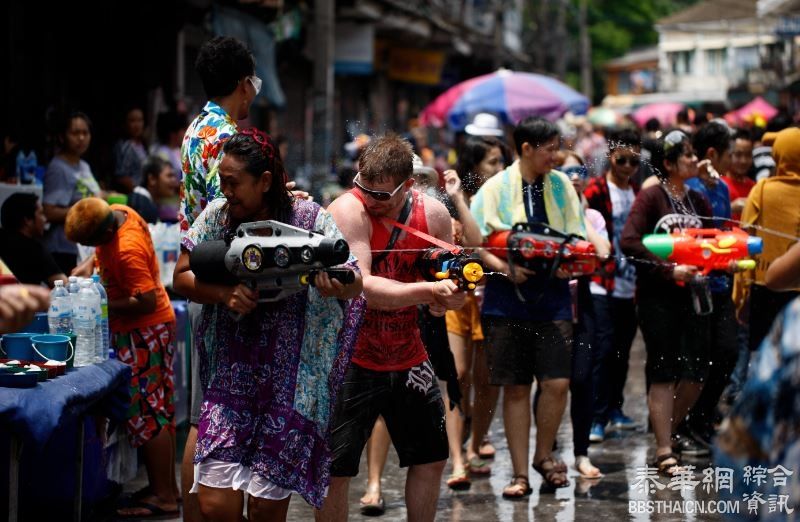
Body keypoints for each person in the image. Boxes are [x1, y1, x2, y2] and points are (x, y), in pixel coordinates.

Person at [173, 130, 364, 521]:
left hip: (291, 385)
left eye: (233, 182)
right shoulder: (216, 216)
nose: (226, 191)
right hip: (229, 377)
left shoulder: (309, 218)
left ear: (264, 181)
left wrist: (335, 285)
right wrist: (223, 294)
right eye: (222, 181)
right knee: (214, 504)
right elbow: (181, 277)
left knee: (264, 510)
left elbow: (355, 279)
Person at [316, 135, 465, 522]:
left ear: (408, 186)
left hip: (408, 354)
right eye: (364, 188)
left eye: (382, 196)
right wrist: (429, 290)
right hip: (351, 358)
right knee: (335, 469)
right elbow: (363, 287)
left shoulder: (433, 215)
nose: (370, 199)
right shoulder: (348, 211)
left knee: (432, 458)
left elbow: (451, 292)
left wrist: (449, 296)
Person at [471, 117, 585, 496]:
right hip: (506, 301)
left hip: (553, 297)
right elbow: (476, 242)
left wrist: (569, 262)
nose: (557, 155)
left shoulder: (562, 184)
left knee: (557, 382)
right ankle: (520, 474)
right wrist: (505, 269)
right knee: (516, 388)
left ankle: (542, 455)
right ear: (525, 149)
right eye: (550, 148)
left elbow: (578, 235)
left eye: (558, 147)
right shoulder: (494, 189)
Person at [178, 35, 260, 522]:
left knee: (202, 414)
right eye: (251, 81)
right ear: (241, 85)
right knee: (211, 415)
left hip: (201, 276)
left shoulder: (196, 128)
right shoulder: (223, 138)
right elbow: (228, 215)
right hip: (220, 283)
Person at [65, 197, 178, 518]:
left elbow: (144, 300)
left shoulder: (127, 250)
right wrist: (91, 266)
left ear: (102, 235)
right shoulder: (121, 213)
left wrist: (98, 300)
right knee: (158, 410)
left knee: (146, 412)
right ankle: (163, 487)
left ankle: (165, 497)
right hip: (151, 328)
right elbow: (103, 252)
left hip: (144, 330)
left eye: (89, 245)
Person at [620, 130, 713, 477]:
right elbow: (629, 242)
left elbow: (710, 244)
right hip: (658, 299)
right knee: (663, 370)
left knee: (696, 374)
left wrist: (722, 261)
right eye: (687, 155)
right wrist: (670, 269)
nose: (694, 160)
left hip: (695, 297)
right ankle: (663, 448)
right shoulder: (651, 198)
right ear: (669, 163)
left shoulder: (699, 201)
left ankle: (668, 429)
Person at [442, 137, 505, 490]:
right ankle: (457, 456)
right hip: (458, 297)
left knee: (486, 377)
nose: (498, 170)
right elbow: (471, 244)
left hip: (492, 296)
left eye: (500, 163)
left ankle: (477, 441)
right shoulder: (452, 200)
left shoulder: (504, 199)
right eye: (491, 162)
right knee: (459, 373)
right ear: (473, 165)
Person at [583, 128, 641, 443]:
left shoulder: (640, 194)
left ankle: (615, 409)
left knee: (622, 350)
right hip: (600, 282)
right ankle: (597, 416)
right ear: (610, 157)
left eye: (634, 161)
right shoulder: (595, 191)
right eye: (622, 160)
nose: (628, 167)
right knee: (603, 350)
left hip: (630, 285)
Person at [555, 151, 609, 479]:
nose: (573, 176)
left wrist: (578, 212)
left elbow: (602, 251)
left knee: (583, 377)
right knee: (552, 381)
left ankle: (580, 453)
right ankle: (546, 453)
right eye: (565, 170)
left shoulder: (594, 217)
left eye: (579, 170)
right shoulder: (545, 215)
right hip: (552, 301)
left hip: (584, 300)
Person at [733, 127, 800, 354]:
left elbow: (746, 240)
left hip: (764, 289)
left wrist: (741, 294)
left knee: (763, 357)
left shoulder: (762, 190)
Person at [42, 111, 102, 274]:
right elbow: (48, 211)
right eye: (75, 133)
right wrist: (87, 210)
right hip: (64, 248)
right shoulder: (58, 168)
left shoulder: (84, 165)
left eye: (85, 133)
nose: (81, 138)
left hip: (83, 245)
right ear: (62, 137)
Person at [0, 193, 67, 287]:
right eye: (41, 213)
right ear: (27, 220)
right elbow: (63, 284)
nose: (45, 219)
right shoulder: (34, 250)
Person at [127, 156, 180, 224]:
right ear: (152, 179)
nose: (174, 180)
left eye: (174, 176)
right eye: (169, 176)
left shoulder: (141, 200)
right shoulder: (143, 206)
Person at [722, 128, 755, 222]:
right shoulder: (718, 184)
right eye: (738, 155)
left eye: (748, 155)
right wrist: (731, 208)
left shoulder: (754, 187)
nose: (743, 161)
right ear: (728, 154)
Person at [113, 106, 148, 194]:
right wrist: (139, 191)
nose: (137, 125)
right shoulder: (123, 146)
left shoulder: (143, 144)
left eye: (140, 120)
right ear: (125, 123)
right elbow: (121, 176)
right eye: (132, 121)